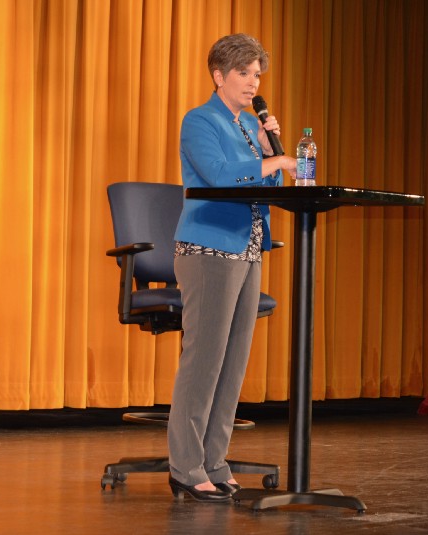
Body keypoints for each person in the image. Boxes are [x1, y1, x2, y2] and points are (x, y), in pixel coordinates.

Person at [168, 33, 297, 502]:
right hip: (208, 250)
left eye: (257, 74)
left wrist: (266, 149)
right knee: (203, 361)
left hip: (247, 249)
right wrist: (273, 160)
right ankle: (186, 466)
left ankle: (215, 461)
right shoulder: (200, 121)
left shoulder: (247, 126)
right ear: (219, 75)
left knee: (233, 363)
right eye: (243, 72)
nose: (253, 82)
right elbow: (220, 176)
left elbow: (267, 188)